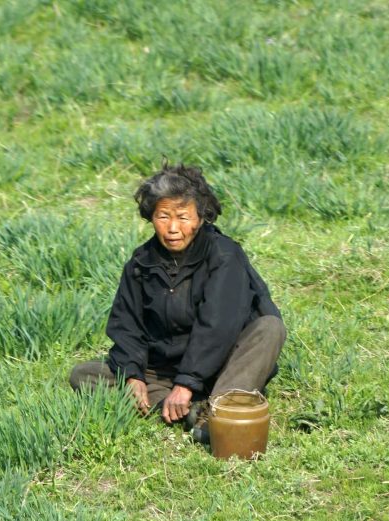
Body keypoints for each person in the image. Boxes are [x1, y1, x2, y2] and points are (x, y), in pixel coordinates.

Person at [69, 163, 286, 443]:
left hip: (222, 364)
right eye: (163, 217)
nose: (172, 228)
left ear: (200, 217)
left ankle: (217, 407)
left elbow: (218, 326)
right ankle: (191, 409)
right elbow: (127, 325)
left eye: (183, 217)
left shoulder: (224, 256)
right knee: (84, 375)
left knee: (269, 328)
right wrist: (133, 375)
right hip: (165, 369)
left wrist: (187, 382)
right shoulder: (141, 262)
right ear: (151, 217)